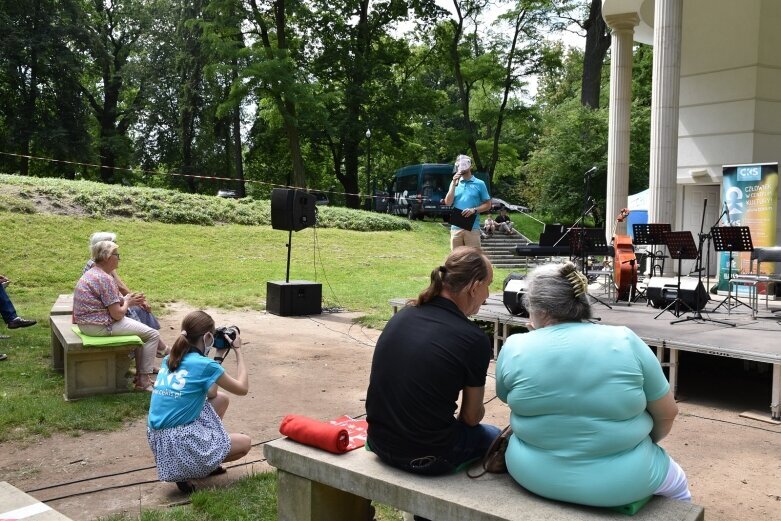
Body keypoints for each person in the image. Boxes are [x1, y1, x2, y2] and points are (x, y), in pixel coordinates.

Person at [496, 261, 691, 508]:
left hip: (531, 474)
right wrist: (638, 445)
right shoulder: (625, 340)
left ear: (540, 311)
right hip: (624, 481)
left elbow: (505, 396)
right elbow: (667, 413)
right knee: (679, 487)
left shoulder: (515, 346)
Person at [366, 247, 501, 520]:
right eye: (488, 286)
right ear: (474, 287)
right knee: (496, 436)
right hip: (429, 458)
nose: (488, 297)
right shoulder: (472, 339)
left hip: (378, 442)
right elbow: (471, 418)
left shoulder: (403, 315)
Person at [147, 310, 251, 494]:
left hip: (161, 441)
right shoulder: (204, 364)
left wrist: (218, 356)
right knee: (245, 444)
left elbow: (211, 392)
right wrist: (238, 351)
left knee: (220, 400)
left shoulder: (169, 358)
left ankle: (196, 465)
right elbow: (242, 389)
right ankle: (192, 468)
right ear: (208, 337)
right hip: (181, 443)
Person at [73, 240, 160, 391]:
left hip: (86, 324)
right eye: (116, 254)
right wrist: (128, 303)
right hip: (98, 326)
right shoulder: (105, 278)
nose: (119, 258)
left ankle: (141, 378)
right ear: (107, 257)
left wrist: (126, 299)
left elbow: (107, 300)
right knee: (152, 334)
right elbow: (118, 314)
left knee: (141, 333)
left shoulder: (94, 273)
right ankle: (143, 381)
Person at [84, 232, 168, 357]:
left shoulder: (100, 266)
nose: (118, 255)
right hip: (100, 319)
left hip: (99, 314)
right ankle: (159, 350)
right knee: (139, 317)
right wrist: (130, 301)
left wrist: (134, 299)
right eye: (115, 252)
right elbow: (116, 309)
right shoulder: (101, 273)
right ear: (105, 253)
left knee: (138, 308)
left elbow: (119, 287)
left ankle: (154, 351)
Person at [443, 154, 491, 250]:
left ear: (470, 166)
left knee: (473, 259)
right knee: (456, 259)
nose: (462, 166)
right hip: (456, 227)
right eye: (459, 164)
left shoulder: (480, 183)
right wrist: (453, 184)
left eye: (464, 163)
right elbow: (448, 203)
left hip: (472, 228)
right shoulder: (454, 183)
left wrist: (474, 210)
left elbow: (488, 205)